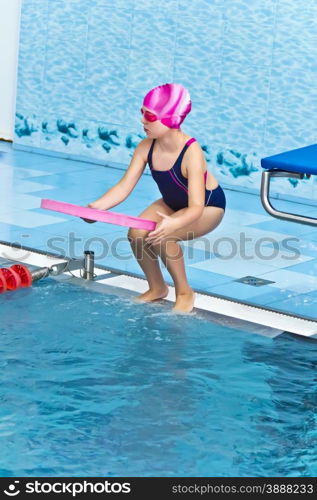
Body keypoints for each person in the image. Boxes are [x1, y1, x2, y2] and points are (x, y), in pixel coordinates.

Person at [85, 83, 226, 313]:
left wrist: (174, 223)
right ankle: (157, 288)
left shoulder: (191, 151)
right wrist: (96, 208)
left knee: (162, 235)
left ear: (171, 119)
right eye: (142, 114)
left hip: (208, 207)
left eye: (150, 117)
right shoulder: (146, 147)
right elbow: (124, 186)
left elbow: (196, 207)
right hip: (172, 203)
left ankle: (184, 292)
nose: (143, 121)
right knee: (136, 234)